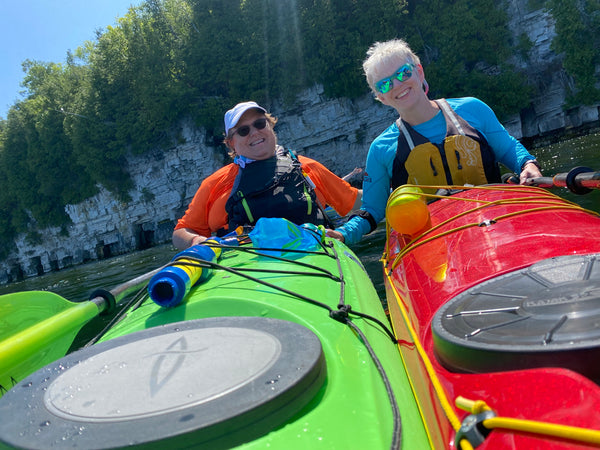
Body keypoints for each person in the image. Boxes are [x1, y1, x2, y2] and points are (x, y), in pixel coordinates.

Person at [327, 38, 543, 245]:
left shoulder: (472, 109)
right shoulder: (381, 150)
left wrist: (528, 165)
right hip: (431, 247)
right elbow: (372, 211)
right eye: (384, 85)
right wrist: (342, 234)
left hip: (496, 226)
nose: (397, 84)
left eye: (404, 73)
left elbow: (508, 148)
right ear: (381, 98)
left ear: (419, 72)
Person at [173, 101, 361, 249]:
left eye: (259, 123)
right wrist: (195, 241)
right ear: (231, 143)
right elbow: (181, 232)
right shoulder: (214, 184)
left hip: (315, 257)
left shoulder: (308, 167)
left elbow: (357, 201)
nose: (254, 133)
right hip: (249, 273)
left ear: (270, 125)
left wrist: (387, 187)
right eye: (243, 130)